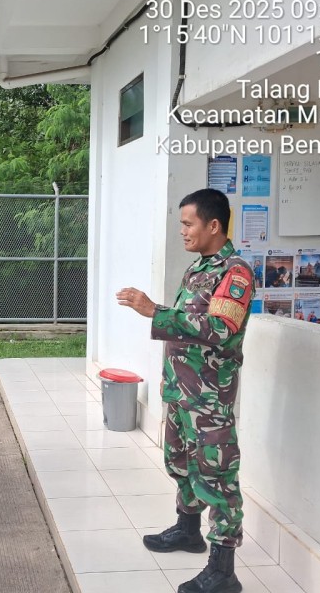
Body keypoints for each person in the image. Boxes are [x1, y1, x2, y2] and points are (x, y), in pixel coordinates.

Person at [116, 188, 254, 593]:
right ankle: (188, 530)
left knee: (218, 477)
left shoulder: (235, 272)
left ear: (214, 225)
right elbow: (186, 333)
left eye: (188, 223)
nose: (182, 231)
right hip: (182, 393)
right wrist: (170, 378)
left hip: (210, 400)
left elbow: (219, 329)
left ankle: (223, 571)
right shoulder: (198, 269)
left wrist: (154, 311)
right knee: (180, 462)